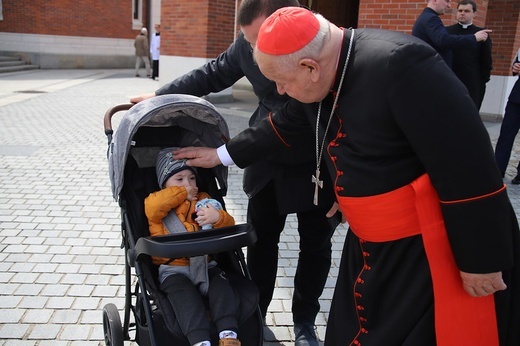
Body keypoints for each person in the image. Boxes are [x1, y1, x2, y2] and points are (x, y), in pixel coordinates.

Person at [173, 7, 520, 346]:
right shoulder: (325, 71)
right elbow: (281, 126)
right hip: (367, 246)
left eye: (281, 81)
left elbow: (468, 165)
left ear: (310, 67)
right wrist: (217, 155)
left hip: (422, 252)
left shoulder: (403, 64)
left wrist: (482, 261)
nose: (278, 92)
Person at [130, 1, 337, 345]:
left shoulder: (317, 46)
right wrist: (157, 96)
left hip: (313, 162)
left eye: (259, 40)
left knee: (316, 245)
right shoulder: (246, 43)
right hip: (265, 159)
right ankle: (256, 316)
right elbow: (212, 73)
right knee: (261, 242)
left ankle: (304, 322)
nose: (256, 50)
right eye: (251, 42)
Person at [145, 147, 240, 346]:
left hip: (206, 266)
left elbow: (228, 225)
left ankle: (228, 335)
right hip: (174, 270)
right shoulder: (157, 203)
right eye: (179, 179)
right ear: (164, 184)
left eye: (192, 179)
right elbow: (153, 208)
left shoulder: (204, 199)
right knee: (185, 297)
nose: (188, 184)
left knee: (222, 288)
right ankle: (200, 341)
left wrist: (217, 217)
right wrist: (181, 193)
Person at [412, 0, 491, 68]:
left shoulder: (427, 17)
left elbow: (486, 61)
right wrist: (474, 38)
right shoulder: (431, 18)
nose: (449, 5)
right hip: (430, 72)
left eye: (466, 11)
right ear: (435, 0)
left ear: (474, 13)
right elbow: (443, 40)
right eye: (447, 1)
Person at [446, 0, 493, 109]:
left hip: (472, 82)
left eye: (466, 11)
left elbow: (486, 59)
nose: (462, 13)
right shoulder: (447, 32)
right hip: (451, 79)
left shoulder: (481, 33)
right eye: (460, 10)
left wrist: (482, 80)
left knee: (469, 113)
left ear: (474, 14)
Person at [494, 54, 520, 184]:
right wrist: (515, 67)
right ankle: (497, 170)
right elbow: (516, 66)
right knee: (505, 135)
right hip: (516, 99)